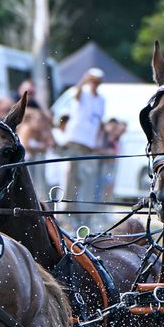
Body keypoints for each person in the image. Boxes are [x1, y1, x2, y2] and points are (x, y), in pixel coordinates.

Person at [62, 68, 107, 231]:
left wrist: (98, 142)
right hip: (75, 142)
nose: (94, 84)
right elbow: (76, 93)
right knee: (72, 180)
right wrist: (84, 79)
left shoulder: (101, 99)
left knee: (87, 183)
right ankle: (68, 214)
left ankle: (84, 216)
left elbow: (99, 123)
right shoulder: (83, 93)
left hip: (89, 146)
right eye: (93, 81)